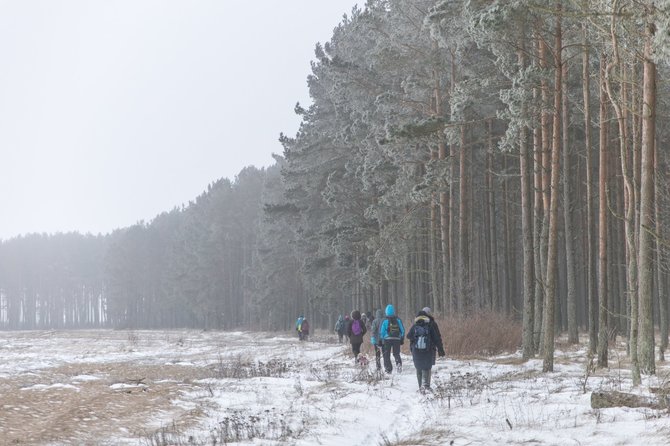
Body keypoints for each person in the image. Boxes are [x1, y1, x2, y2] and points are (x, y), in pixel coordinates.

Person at [407, 310, 441, 391]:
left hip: (416, 351)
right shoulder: (430, 326)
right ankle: (426, 386)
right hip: (427, 350)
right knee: (427, 368)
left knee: (418, 368)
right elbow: (436, 339)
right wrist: (440, 349)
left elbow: (408, 336)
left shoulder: (415, 326)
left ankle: (420, 387)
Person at [379, 304, 405, 374]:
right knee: (396, 353)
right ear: (393, 311)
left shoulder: (384, 320)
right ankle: (398, 364)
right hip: (397, 339)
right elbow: (402, 330)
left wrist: (381, 340)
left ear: (386, 312)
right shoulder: (398, 320)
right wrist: (401, 338)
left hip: (387, 339)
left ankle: (388, 369)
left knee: (386, 354)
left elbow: (382, 332)